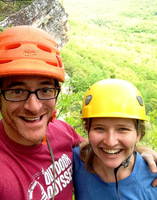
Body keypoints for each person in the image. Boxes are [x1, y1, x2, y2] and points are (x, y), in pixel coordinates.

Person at [0, 26, 156, 200]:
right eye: (17, 91)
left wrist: (139, 153)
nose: (34, 107)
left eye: (45, 90)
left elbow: (99, 148)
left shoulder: (62, 131)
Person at [73, 79, 157, 200]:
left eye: (122, 129)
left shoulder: (152, 178)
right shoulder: (75, 162)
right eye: (99, 129)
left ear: (139, 134)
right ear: (88, 130)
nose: (110, 142)